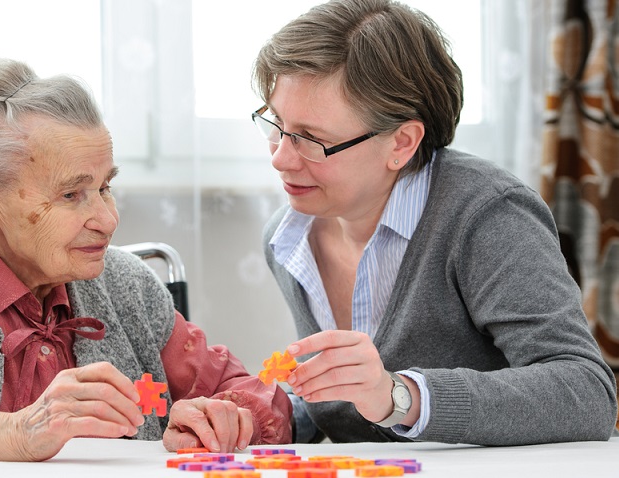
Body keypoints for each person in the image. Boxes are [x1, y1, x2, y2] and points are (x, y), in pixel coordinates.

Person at [0, 57, 291, 462]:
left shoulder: (127, 286)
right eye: (71, 194)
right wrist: (6, 433)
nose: (108, 220)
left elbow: (260, 396)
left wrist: (224, 419)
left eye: (105, 186)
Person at [251, 0, 617, 445]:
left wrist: (401, 396)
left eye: (311, 139)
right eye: (276, 123)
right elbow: (350, 406)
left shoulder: (487, 216)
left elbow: (586, 393)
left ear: (402, 143)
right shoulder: (289, 238)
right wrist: (263, 415)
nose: (279, 157)